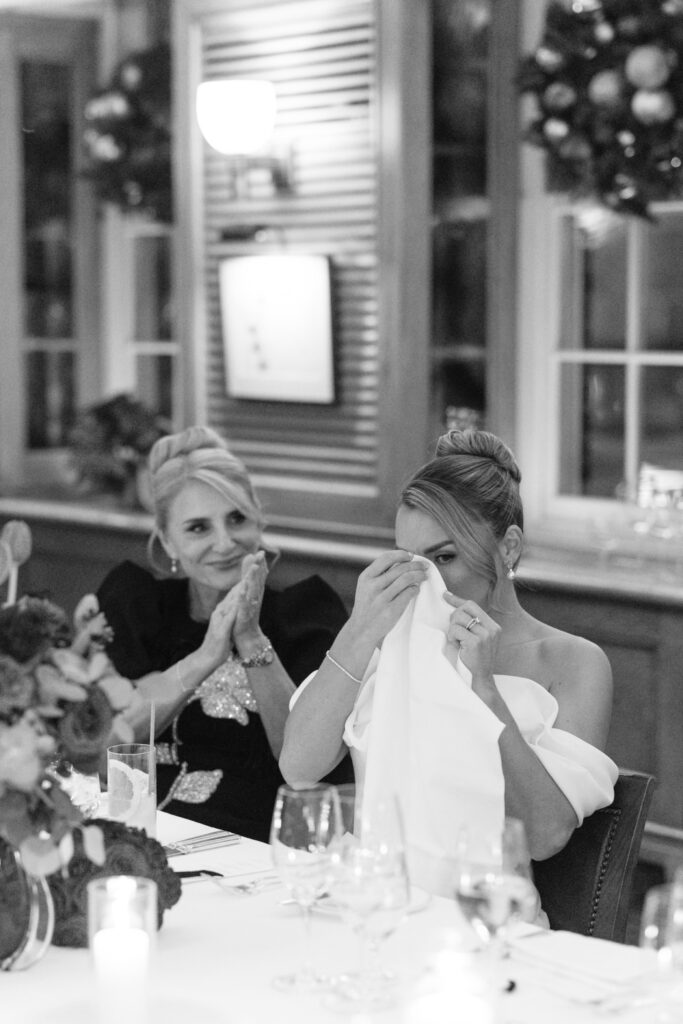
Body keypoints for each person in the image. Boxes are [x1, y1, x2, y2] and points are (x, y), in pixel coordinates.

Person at [280, 428, 618, 895]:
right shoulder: (384, 643)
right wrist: (360, 631)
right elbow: (298, 767)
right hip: (370, 907)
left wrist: (484, 690)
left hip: (484, 923)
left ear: (509, 548)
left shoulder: (573, 663)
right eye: (408, 557)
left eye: (444, 556)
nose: (424, 579)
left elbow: (545, 835)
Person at [97, 426, 350, 842]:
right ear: (168, 541)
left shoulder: (304, 618)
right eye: (198, 528)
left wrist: (250, 639)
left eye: (237, 519)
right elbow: (107, 748)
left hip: (254, 846)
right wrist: (204, 658)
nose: (225, 542)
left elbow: (307, 764)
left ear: (259, 521)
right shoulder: (139, 609)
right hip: (139, 833)